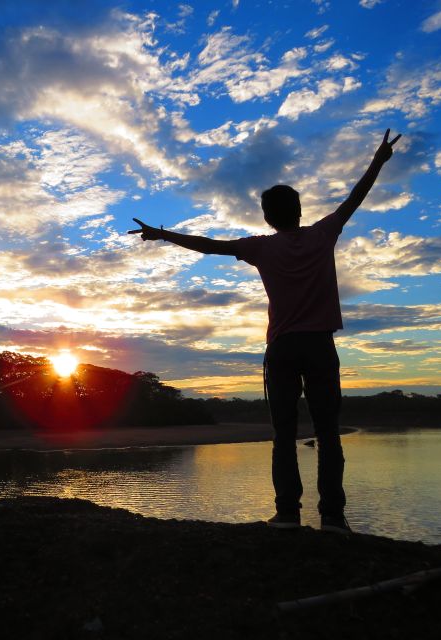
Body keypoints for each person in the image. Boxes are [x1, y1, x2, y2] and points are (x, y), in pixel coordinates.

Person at [130, 129, 402, 534]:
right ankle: (332, 518)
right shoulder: (322, 234)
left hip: (283, 348)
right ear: (298, 209)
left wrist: (162, 234)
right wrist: (377, 162)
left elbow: (209, 245)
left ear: (267, 217)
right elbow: (353, 200)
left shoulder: (260, 247)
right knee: (328, 434)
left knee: (284, 434)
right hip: (319, 345)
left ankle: (288, 514)